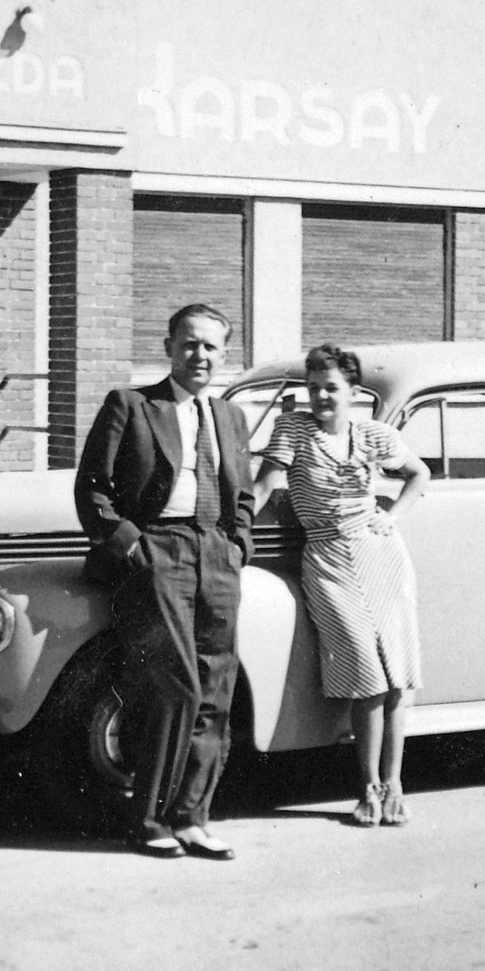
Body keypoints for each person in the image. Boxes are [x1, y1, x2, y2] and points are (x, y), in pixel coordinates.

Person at [74, 303, 256, 860]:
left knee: (216, 689)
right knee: (174, 684)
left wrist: (237, 544)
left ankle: (193, 818)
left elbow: (243, 496)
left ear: (225, 354)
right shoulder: (132, 405)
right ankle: (149, 819)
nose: (199, 355)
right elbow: (93, 488)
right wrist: (134, 546)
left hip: (216, 554)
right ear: (169, 347)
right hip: (158, 551)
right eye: (189, 344)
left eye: (211, 347)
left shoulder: (230, 417)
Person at [253, 343, 431, 826]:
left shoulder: (372, 433)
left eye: (330, 388)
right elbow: (267, 484)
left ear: (352, 392)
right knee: (365, 675)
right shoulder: (293, 428)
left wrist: (392, 518)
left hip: (381, 555)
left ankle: (392, 787)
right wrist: (233, 520)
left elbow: (418, 474)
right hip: (328, 558)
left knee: (396, 675)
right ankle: (367, 787)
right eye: (313, 389)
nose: (321, 397)